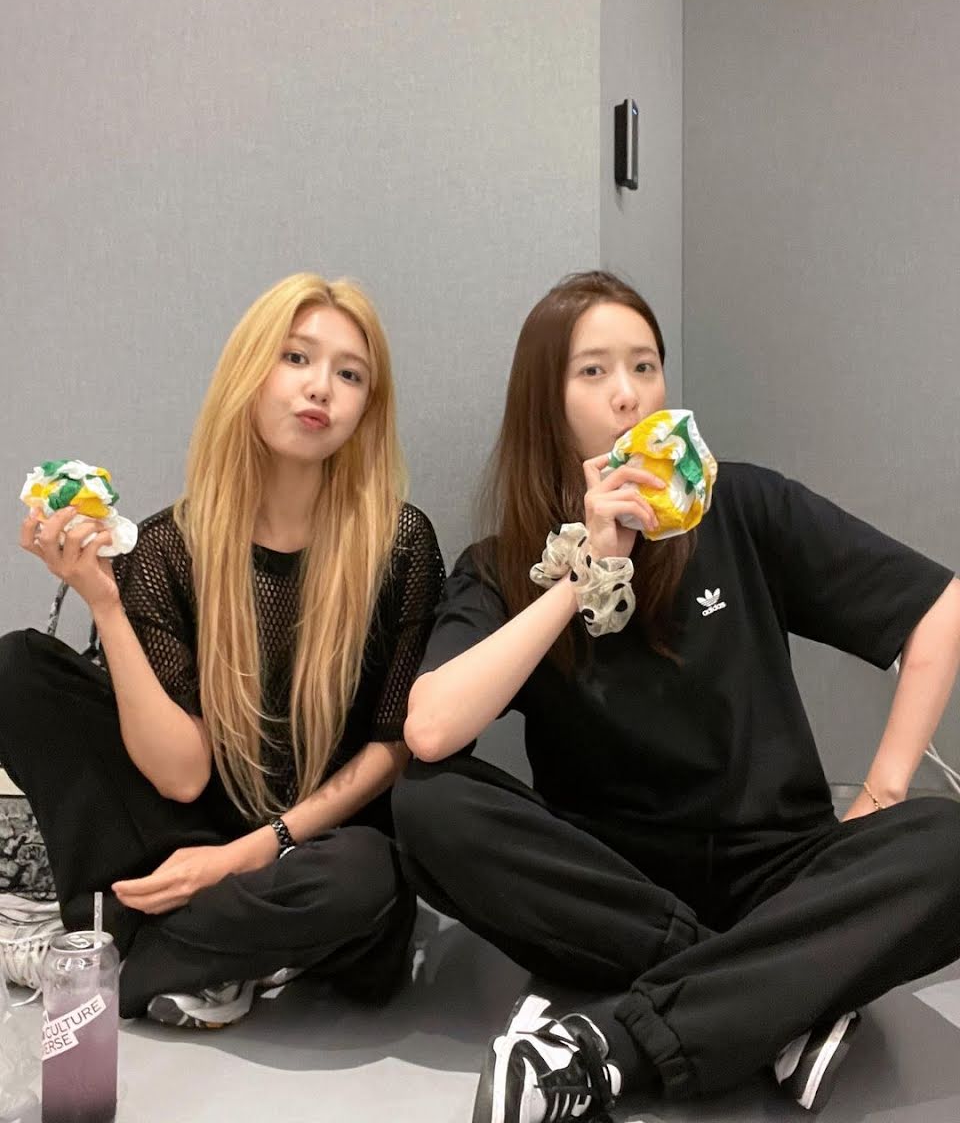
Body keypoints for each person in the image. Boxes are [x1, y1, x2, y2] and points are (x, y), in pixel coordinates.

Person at [394, 270, 960, 1120]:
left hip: (781, 869)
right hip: (615, 890)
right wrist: (584, 573)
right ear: (547, 404)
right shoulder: (502, 566)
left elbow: (939, 607)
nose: (628, 394)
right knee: (426, 804)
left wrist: (881, 793)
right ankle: (777, 1002)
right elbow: (432, 729)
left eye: (645, 367)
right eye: (593, 372)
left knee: (949, 841)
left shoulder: (745, 505)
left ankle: (613, 1046)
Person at [0, 272, 444, 1027]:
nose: (321, 387)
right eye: (296, 358)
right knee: (18, 665)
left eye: (350, 375)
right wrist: (106, 604)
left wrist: (250, 855)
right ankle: (228, 954)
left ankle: (141, 957)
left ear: (368, 408)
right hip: (192, 833)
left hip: (316, 849)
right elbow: (180, 776)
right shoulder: (170, 545)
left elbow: (393, 748)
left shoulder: (399, 544)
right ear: (249, 373)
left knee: (364, 877)